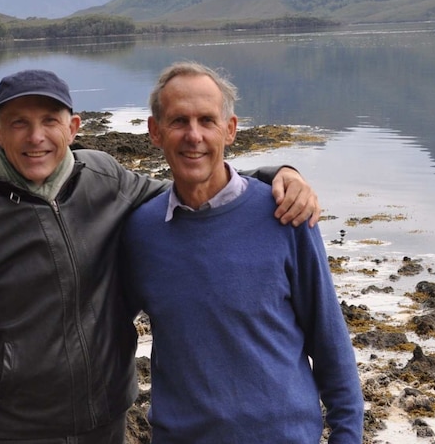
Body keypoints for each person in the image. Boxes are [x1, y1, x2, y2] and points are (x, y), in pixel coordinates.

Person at [0, 69, 320, 444]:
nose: (36, 137)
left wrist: (275, 176)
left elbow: (193, 188)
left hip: (106, 423)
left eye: (49, 121)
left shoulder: (103, 178)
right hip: (13, 431)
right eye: (19, 122)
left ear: (72, 128)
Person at [121, 62, 363, 443]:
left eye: (207, 120)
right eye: (179, 121)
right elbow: (105, 335)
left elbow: (329, 341)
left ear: (230, 129)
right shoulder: (140, 230)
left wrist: (347, 436)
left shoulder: (286, 214)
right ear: (155, 132)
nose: (194, 135)